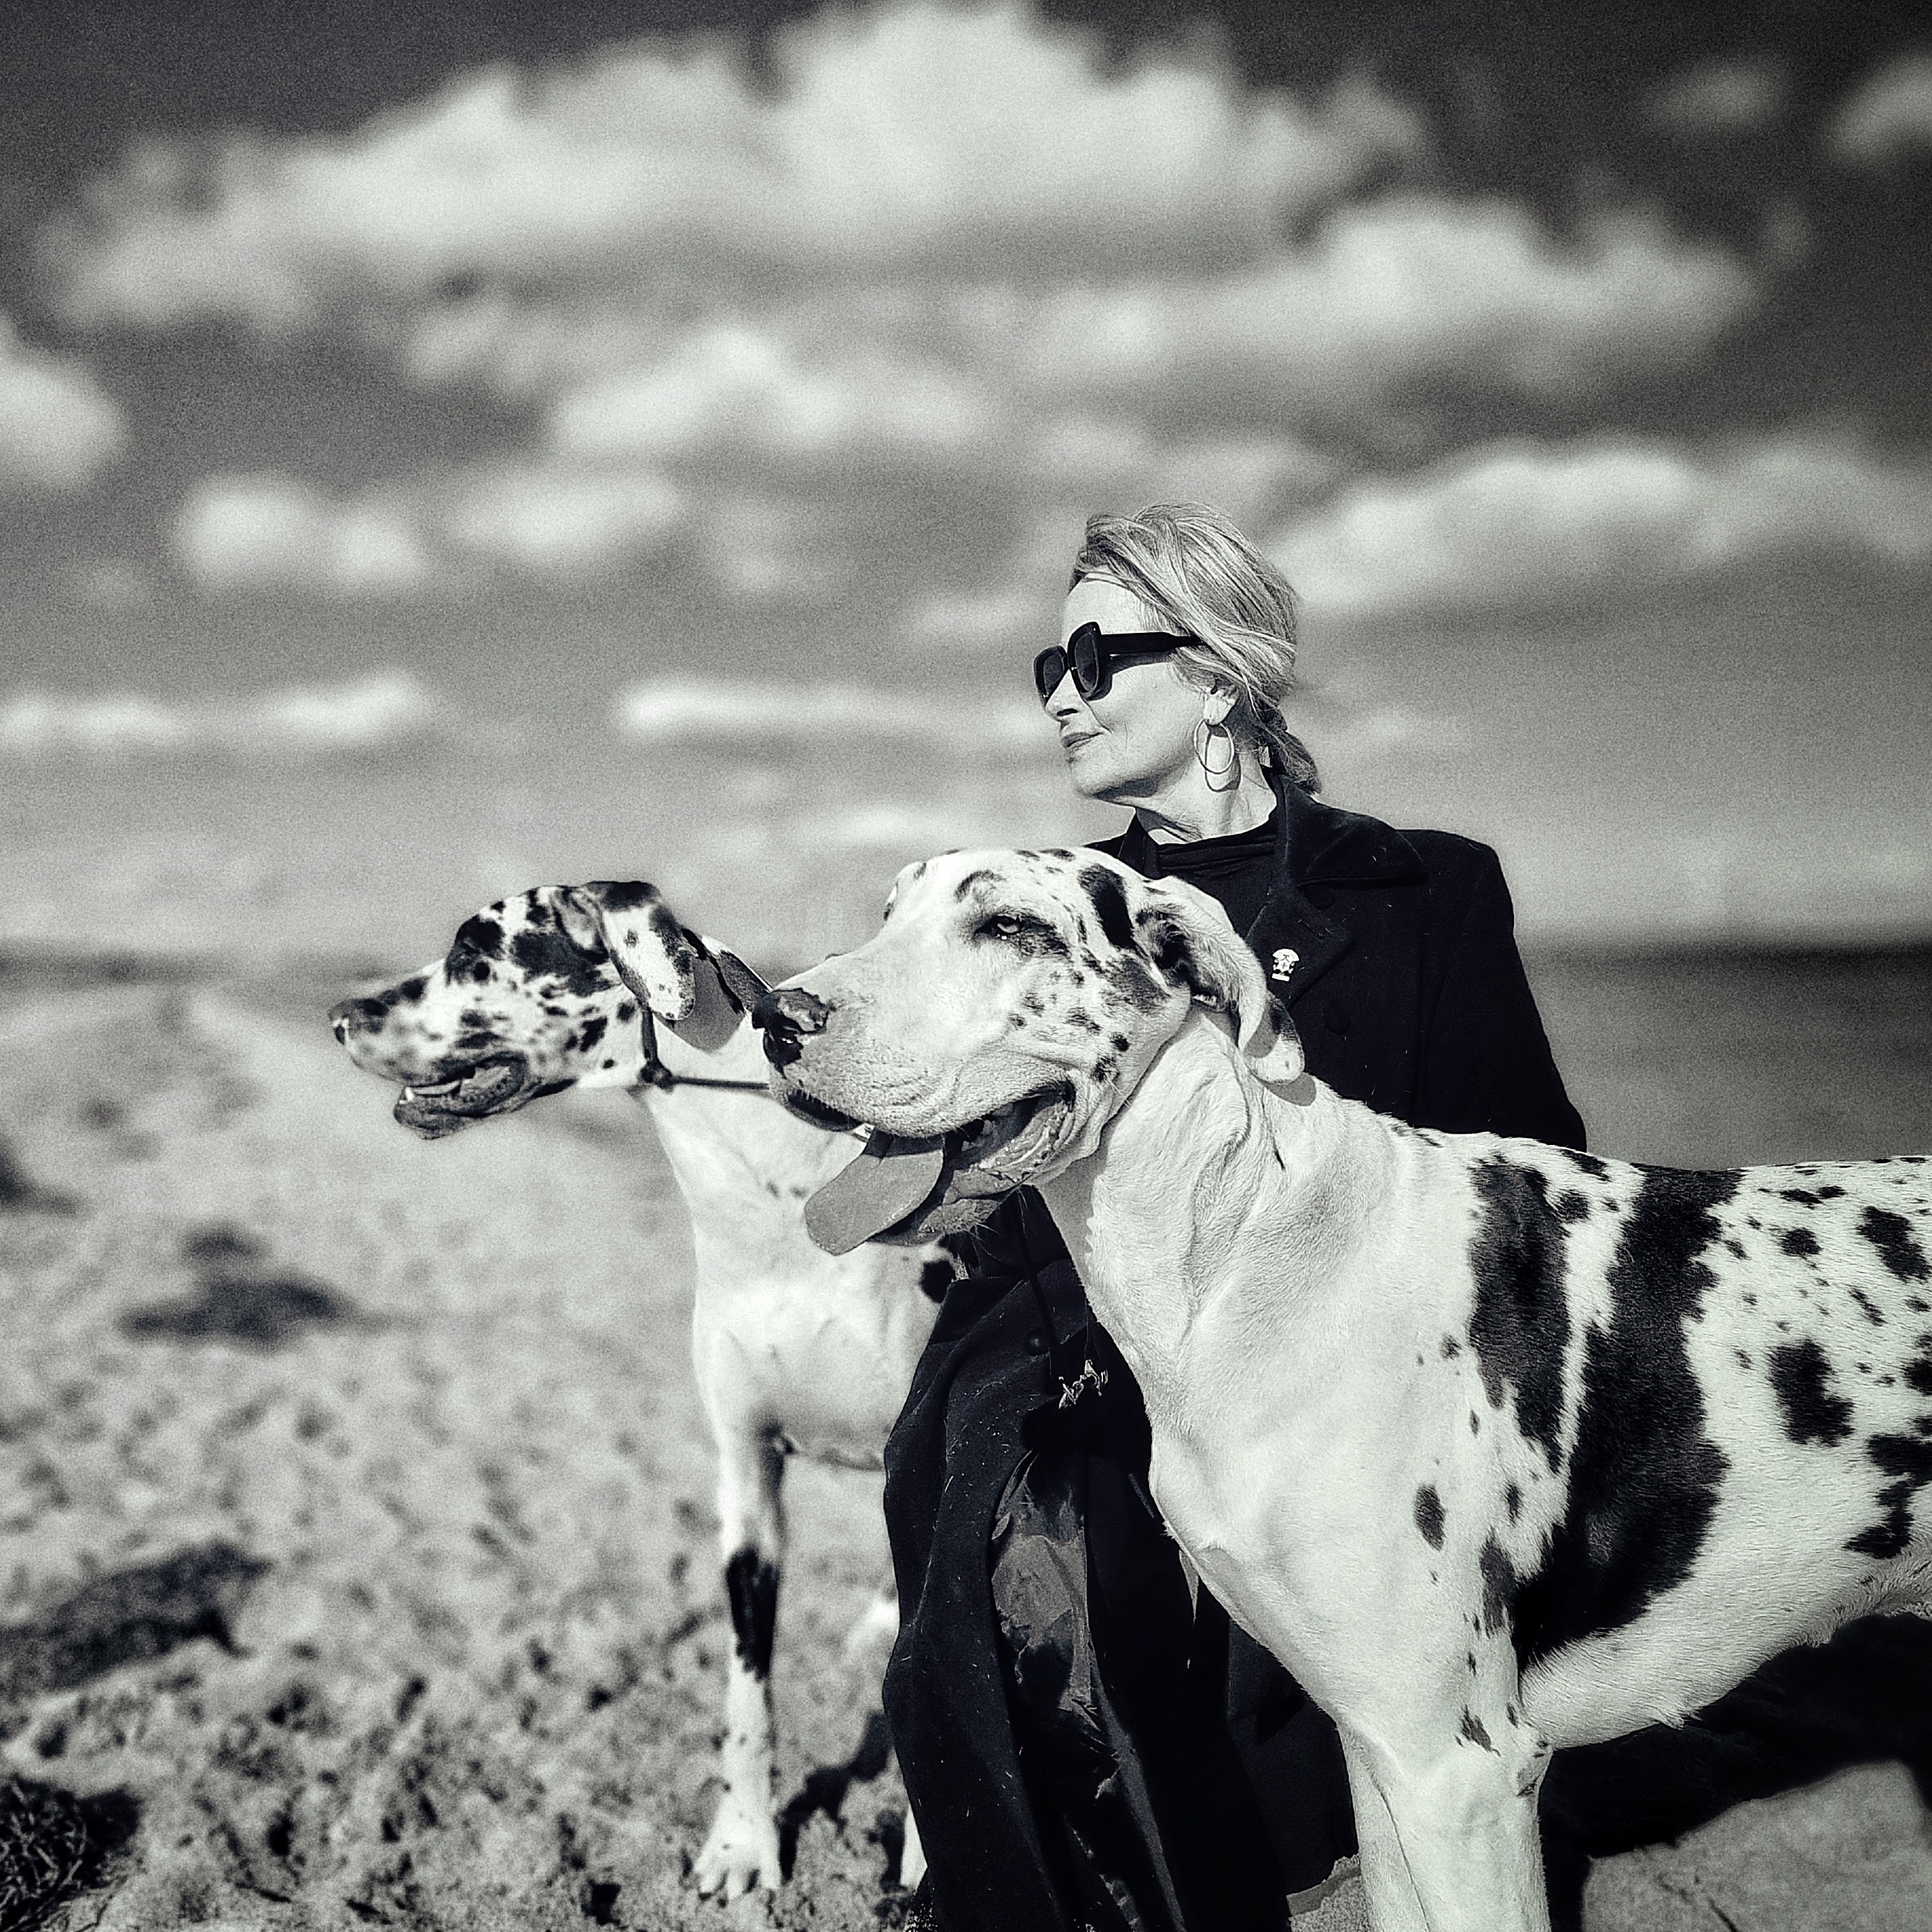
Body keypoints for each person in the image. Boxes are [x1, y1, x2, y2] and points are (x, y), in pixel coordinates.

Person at [881, 502, 1932, 1932]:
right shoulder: (1065, 911)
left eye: (1093, 655)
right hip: (1102, 1327)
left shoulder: (1427, 883)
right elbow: (1006, 1175)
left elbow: (1533, 1178)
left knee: (1418, 1717)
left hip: (1388, 1369)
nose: (1060, 691)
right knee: (1019, 1511)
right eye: (1043, 665)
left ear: (1218, 676)